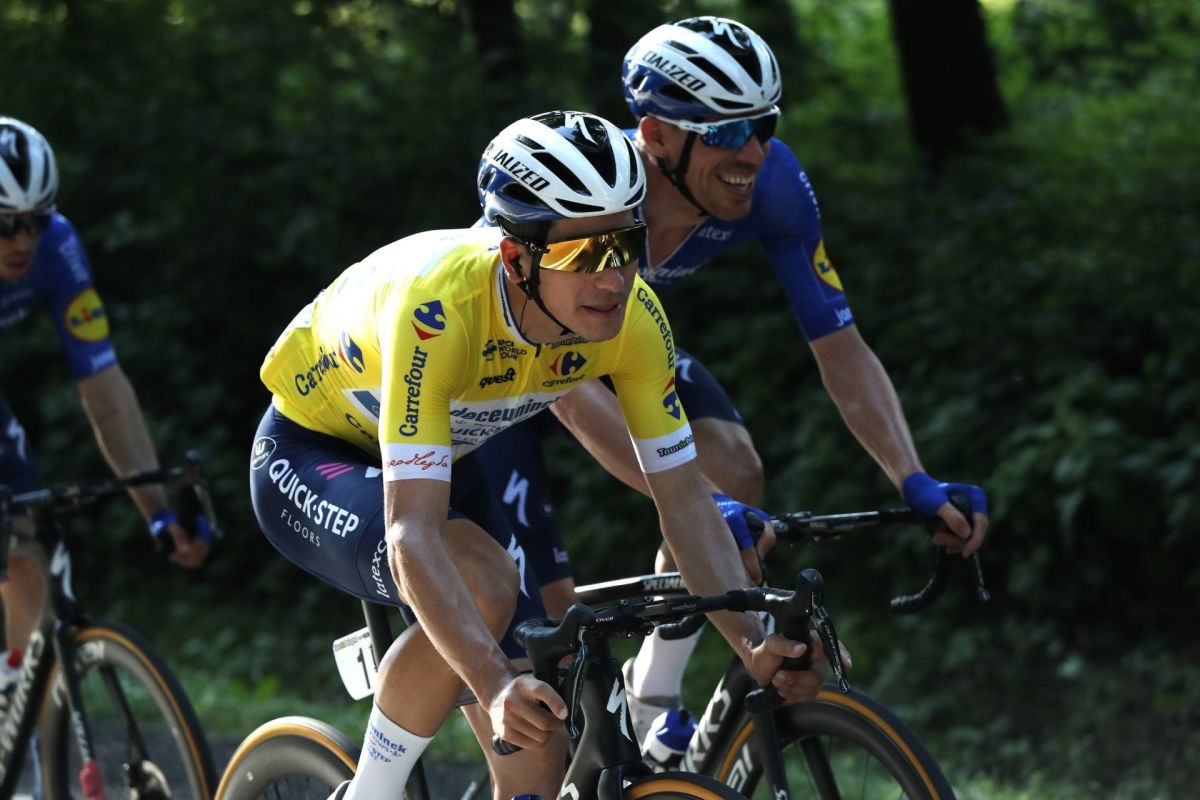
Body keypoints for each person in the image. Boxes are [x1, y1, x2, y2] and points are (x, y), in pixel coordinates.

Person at [249, 110, 831, 800]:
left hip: (444, 450)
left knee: (537, 753)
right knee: (485, 587)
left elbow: (683, 499)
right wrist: (492, 682)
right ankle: (370, 793)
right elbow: (411, 532)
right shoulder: (438, 309)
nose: (613, 278)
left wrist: (753, 642)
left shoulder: (634, 318)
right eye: (584, 255)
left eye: (628, 243)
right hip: (316, 451)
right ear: (516, 258)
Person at [471, 16, 991, 746]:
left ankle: (651, 695)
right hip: (501, 375)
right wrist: (699, 501)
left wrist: (911, 476)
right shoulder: (589, 194)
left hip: (615, 346)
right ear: (655, 136)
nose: (752, 151)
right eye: (723, 131)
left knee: (735, 472)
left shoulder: (773, 182)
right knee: (549, 648)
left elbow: (841, 348)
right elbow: (564, 389)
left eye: (763, 124)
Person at [0, 116, 208, 677]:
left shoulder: (58, 248)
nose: (22, 241)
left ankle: (15, 700)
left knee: (26, 539)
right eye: (5, 224)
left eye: (35, 221)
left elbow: (105, 390)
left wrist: (157, 510)